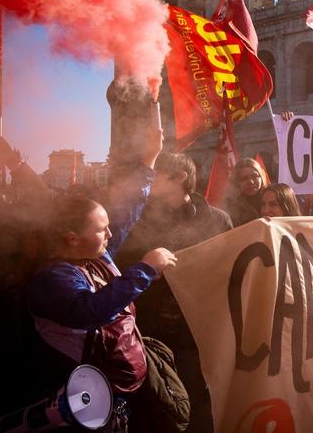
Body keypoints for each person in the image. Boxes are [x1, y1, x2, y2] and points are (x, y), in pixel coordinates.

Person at [28, 196, 177, 428]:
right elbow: (89, 312)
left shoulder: (94, 256)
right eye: (101, 230)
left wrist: (148, 164)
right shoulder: (52, 278)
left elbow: (128, 215)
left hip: (122, 384)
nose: (110, 235)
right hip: (91, 396)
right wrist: (145, 269)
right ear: (72, 239)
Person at [116, 150, 233, 433]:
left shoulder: (217, 220)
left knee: (197, 397)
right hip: (152, 330)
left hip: (196, 332)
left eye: (157, 173)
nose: (149, 179)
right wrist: (146, 270)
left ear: (180, 178)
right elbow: (122, 264)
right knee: (160, 402)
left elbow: (230, 270)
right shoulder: (141, 219)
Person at [222, 157, 268, 226]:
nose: (251, 182)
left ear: (261, 177)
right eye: (244, 178)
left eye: (254, 176)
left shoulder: (272, 198)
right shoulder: (229, 206)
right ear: (236, 182)